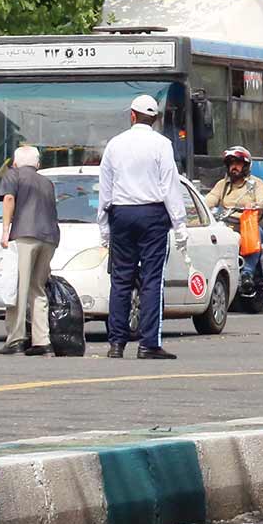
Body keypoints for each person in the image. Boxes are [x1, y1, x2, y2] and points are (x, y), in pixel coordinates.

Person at [98, 93, 188, 361]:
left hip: (121, 215)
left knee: (121, 280)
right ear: (155, 119)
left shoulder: (115, 144)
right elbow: (170, 185)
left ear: (132, 116)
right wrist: (180, 223)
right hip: (152, 215)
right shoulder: (162, 144)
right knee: (151, 280)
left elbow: (105, 187)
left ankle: (116, 343)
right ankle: (148, 343)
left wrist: (103, 227)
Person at [0, 144, 58, 355]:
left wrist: (5, 231)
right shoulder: (47, 182)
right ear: (38, 164)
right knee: (37, 288)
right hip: (49, 238)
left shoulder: (13, 175)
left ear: (14, 162)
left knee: (18, 287)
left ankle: (16, 338)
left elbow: (9, 199)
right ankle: (42, 341)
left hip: (25, 235)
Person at [206, 146, 263, 295]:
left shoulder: (256, 184)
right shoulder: (222, 185)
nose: (234, 167)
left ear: (246, 166)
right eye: (231, 164)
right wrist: (198, 207)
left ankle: (247, 272)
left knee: (253, 233)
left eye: (238, 163)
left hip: (248, 223)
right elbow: (210, 199)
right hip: (226, 223)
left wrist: (255, 205)